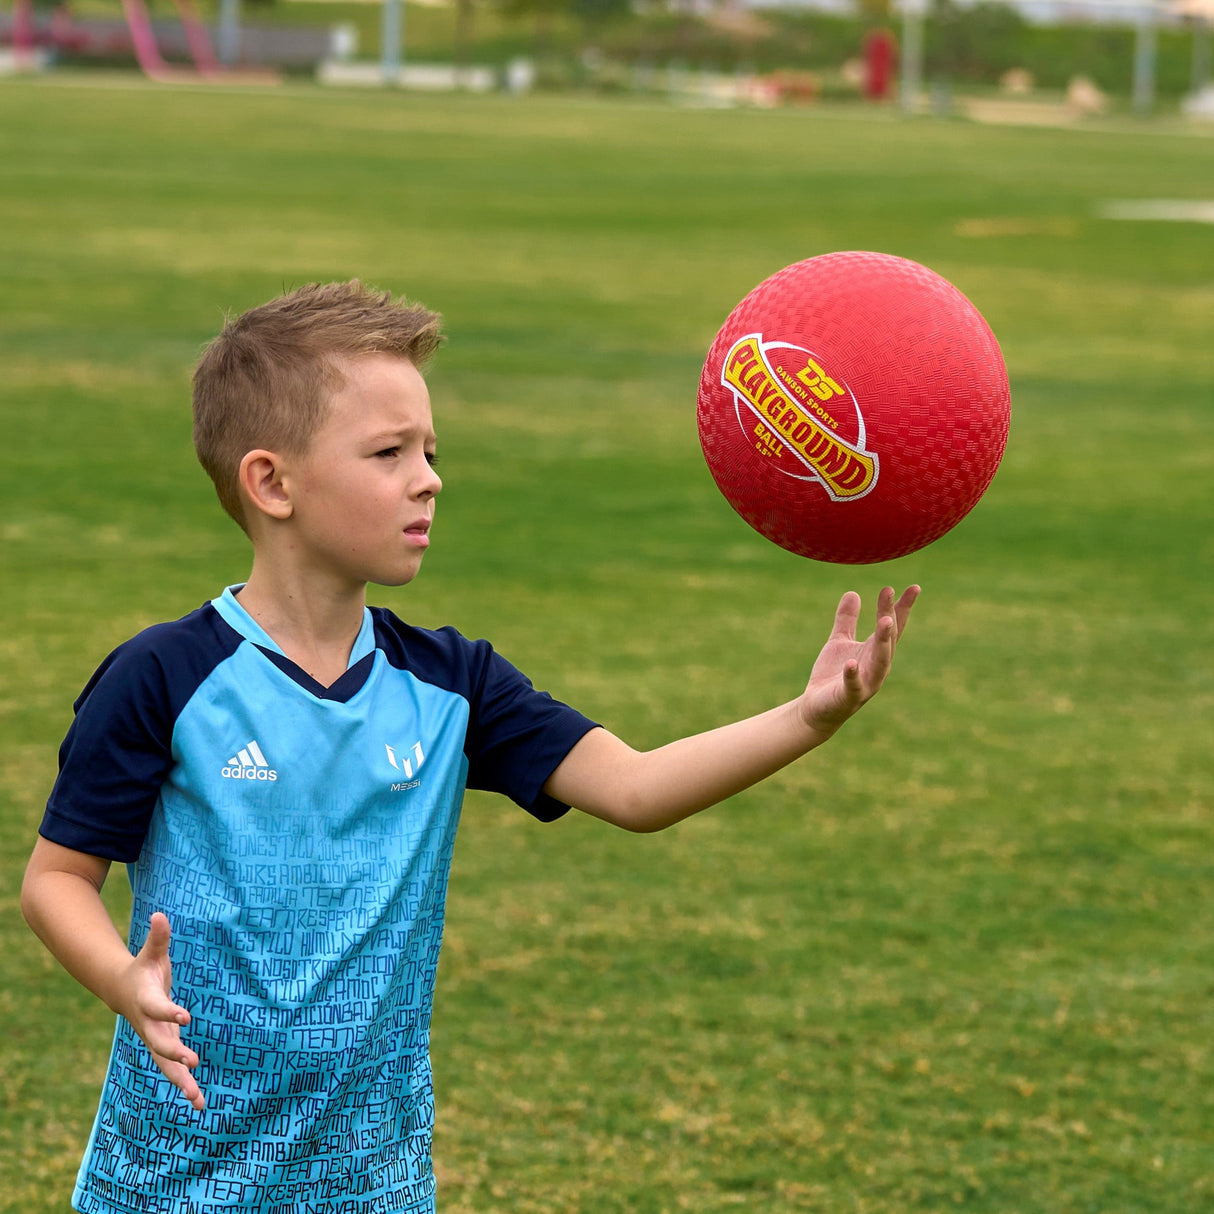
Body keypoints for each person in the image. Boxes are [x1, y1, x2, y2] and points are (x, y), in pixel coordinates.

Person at [22, 280, 919, 1214]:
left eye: (430, 451)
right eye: (389, 453)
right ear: (272, 483)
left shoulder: (452, 684)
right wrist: (123, 979)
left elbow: (637, 789)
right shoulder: (165, 677)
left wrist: (807, 717)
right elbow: (56, 880)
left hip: (375, 1186)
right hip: (169, 1181)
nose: (429, 478)